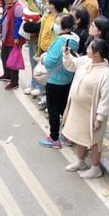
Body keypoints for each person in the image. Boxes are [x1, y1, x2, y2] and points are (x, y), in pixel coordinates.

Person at [61, 38, 109, 178]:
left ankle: (95, 168)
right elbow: (71, 65)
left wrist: (99, 118)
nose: (87, 48)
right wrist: (66, 55)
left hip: (92, 113)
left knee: (94, 140)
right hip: (78, 109)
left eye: (90, 47)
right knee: (80, 136)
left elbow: (106, 99)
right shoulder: (86, 60)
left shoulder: (106, 74)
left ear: (97, 54)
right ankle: (80, 161)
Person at [38, 14, 80, 148]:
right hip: (67, 78)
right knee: (64, 108)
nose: (54, 25)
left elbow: (50, 62)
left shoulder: (60, 41)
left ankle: (54, 138)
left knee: (53, 110)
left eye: (57, 22)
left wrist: (43, 58)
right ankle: (68, 136)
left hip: (55, 80)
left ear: (64, 27)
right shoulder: (74, 38)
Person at [0, 0, 23, 90]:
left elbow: (18, 23)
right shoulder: (8, 6)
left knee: (13, 61)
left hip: (13, 38)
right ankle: (7, 75)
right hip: (5, 36)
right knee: (4, 56)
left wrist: (16, 37)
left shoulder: (18, 7)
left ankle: (14, 82)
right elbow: (4, 18)